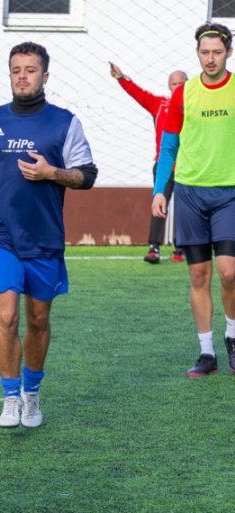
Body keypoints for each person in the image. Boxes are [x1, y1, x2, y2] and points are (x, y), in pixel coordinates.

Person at [0, 42, 98, 429]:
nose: (23, 76)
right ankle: (9, 396)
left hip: (44, 238)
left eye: (31, 70)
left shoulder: (65, 122)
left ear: (45, 76)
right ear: (10, 74)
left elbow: (87, 175)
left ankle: (31, 393)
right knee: (6, 317)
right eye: (16, 70)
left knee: (37, 319)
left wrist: (51, 173)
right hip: (1, 234)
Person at [152, 23, 235, 377]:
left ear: (228, 52)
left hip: (229, 192)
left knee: (229, 272)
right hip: (189, 193)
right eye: (204, 52)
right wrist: (160, 189)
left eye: (217, 52)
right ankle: (207, 353)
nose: (210, 58)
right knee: (199, 275)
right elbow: (169, 144)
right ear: (197, 54)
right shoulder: (183, 93)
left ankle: (232, 336)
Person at [108, 61, 187, 263]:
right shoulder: (159, 104)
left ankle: (181, 248)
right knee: (159, 204)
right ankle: (154, 248)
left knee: (186, 208)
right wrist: (121, 78)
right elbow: (139, 94)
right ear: (169, 86)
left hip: (188, 167)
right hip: (164, 166)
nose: (178, 87)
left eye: (181, 83)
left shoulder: (196, 106)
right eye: (174, 84)